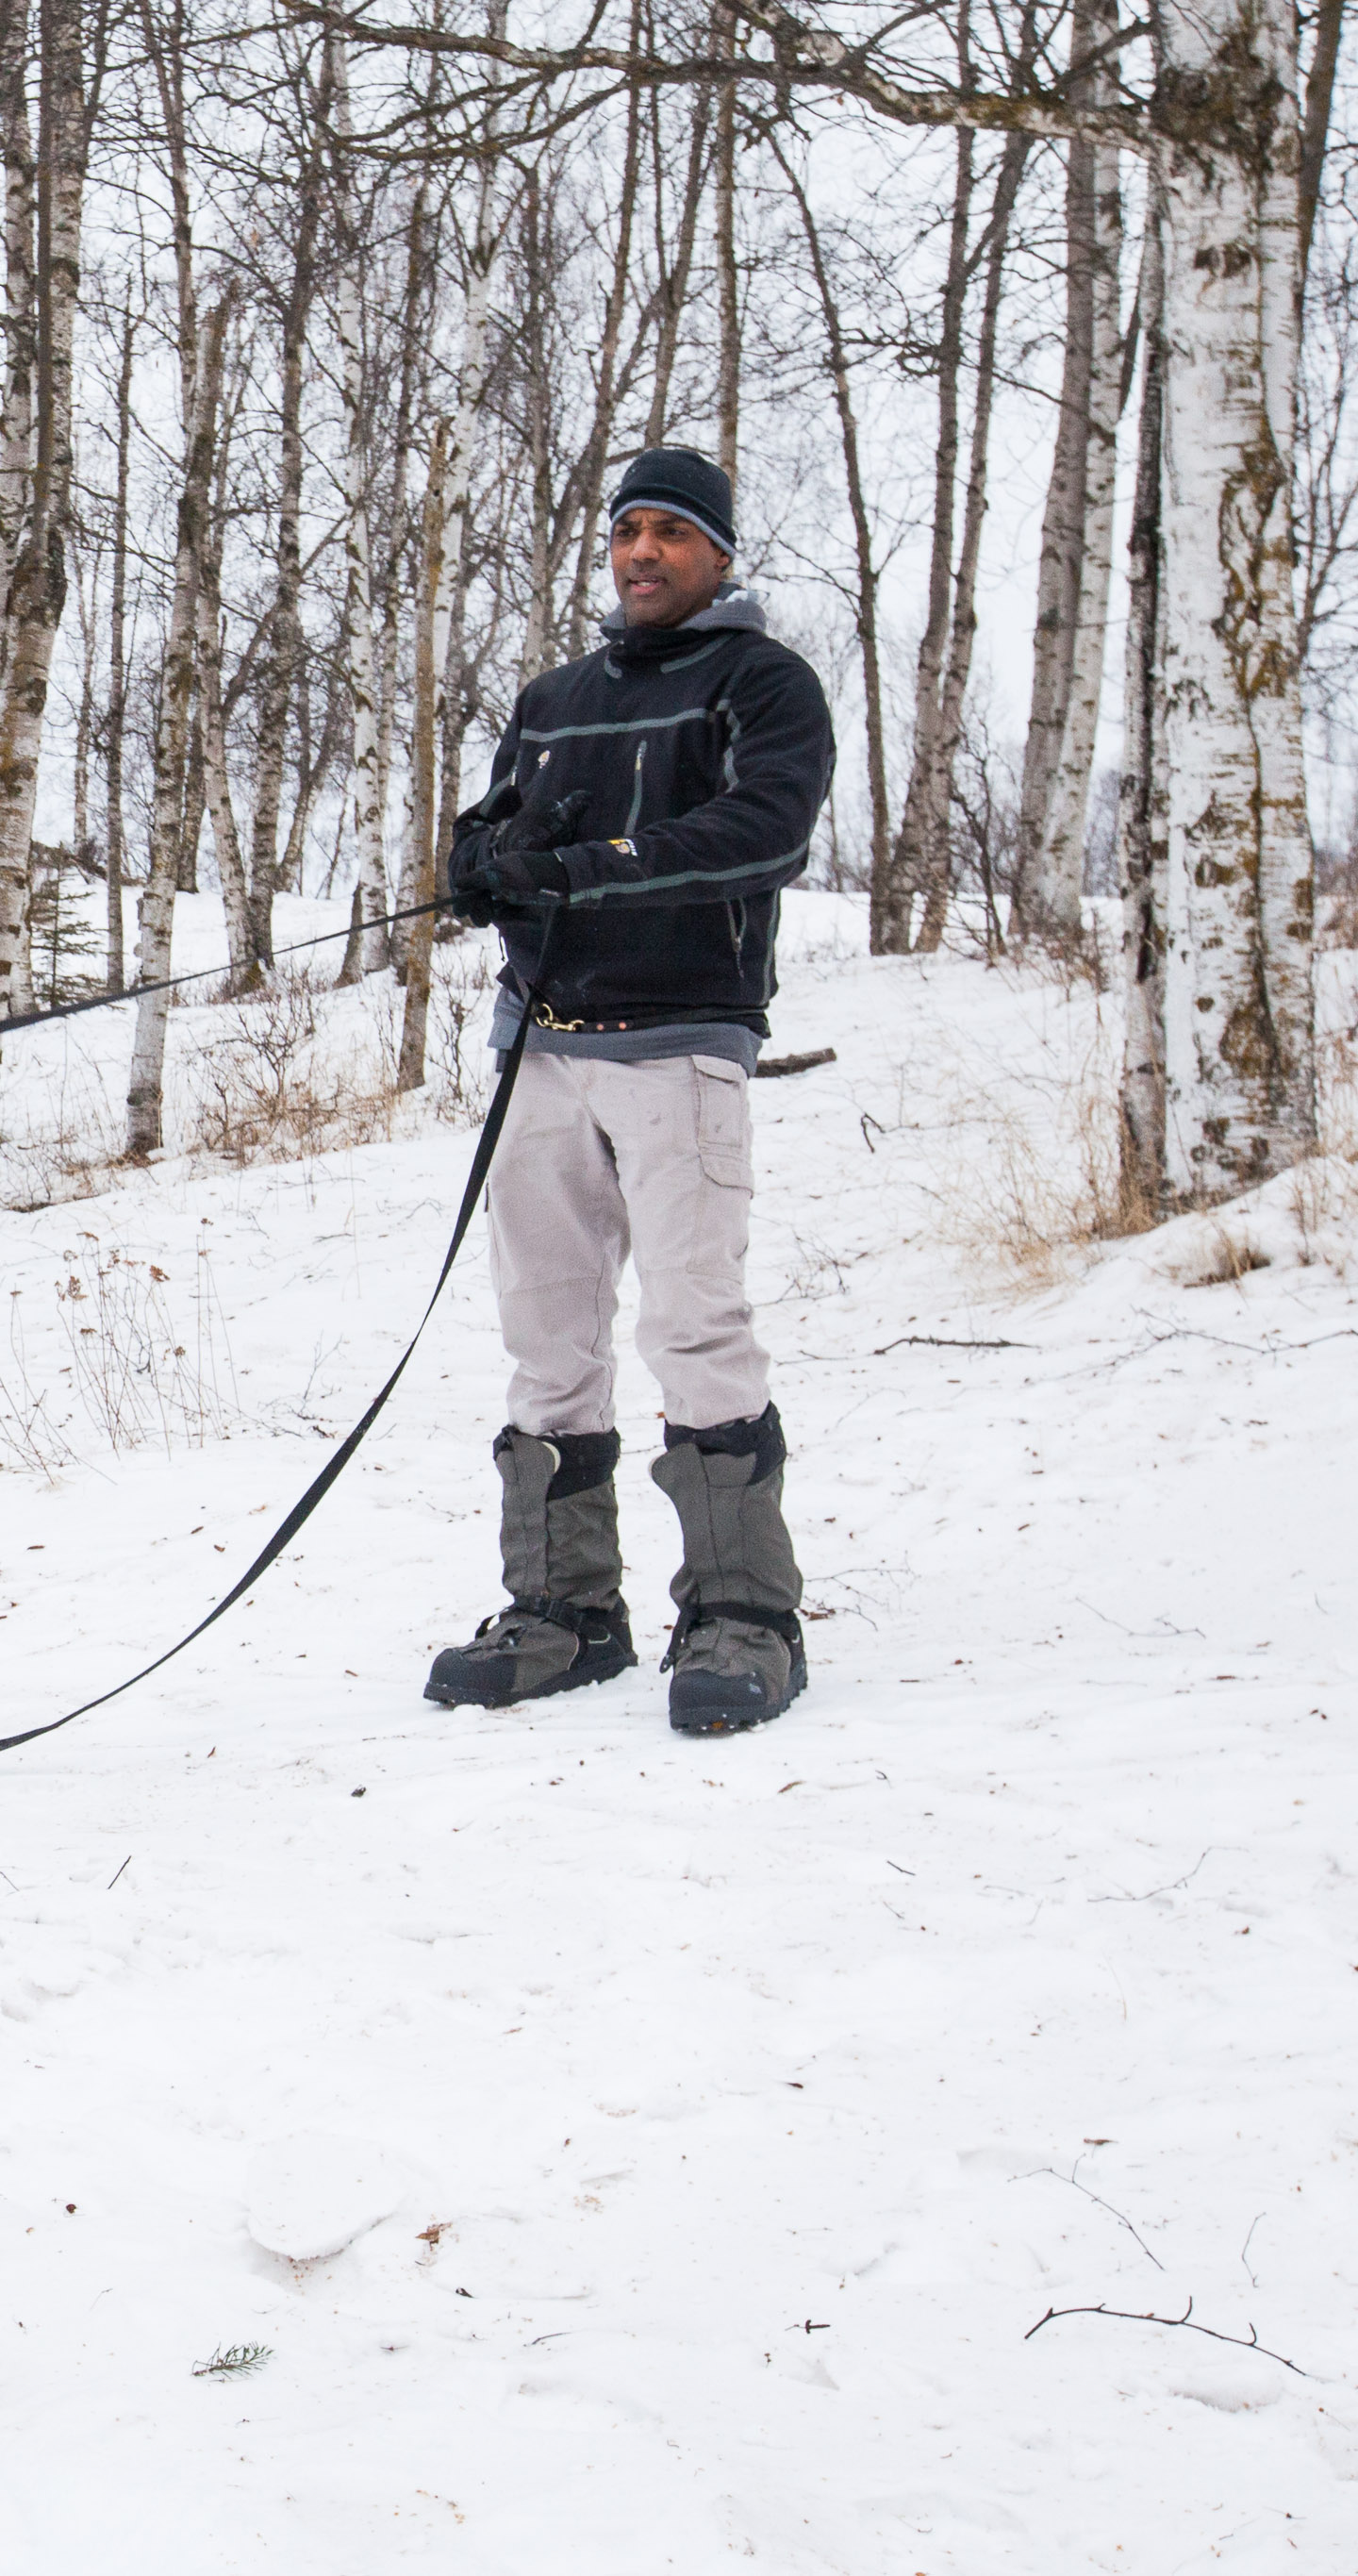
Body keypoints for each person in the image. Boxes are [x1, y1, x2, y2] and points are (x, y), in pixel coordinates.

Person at [423, 445, 833, 1737]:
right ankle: (565, 1608)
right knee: (546, 1332)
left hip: (681, 1041)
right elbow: (492, 829)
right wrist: (485, 860)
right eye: (627, 531)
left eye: (671, 531)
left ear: (718, 553)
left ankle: (742, 1614)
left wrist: (587, 868)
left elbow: (761, 830)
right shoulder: (554, 697)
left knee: (696, 1323)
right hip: (541, 1046)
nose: (643, 552)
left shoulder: (762, 683)